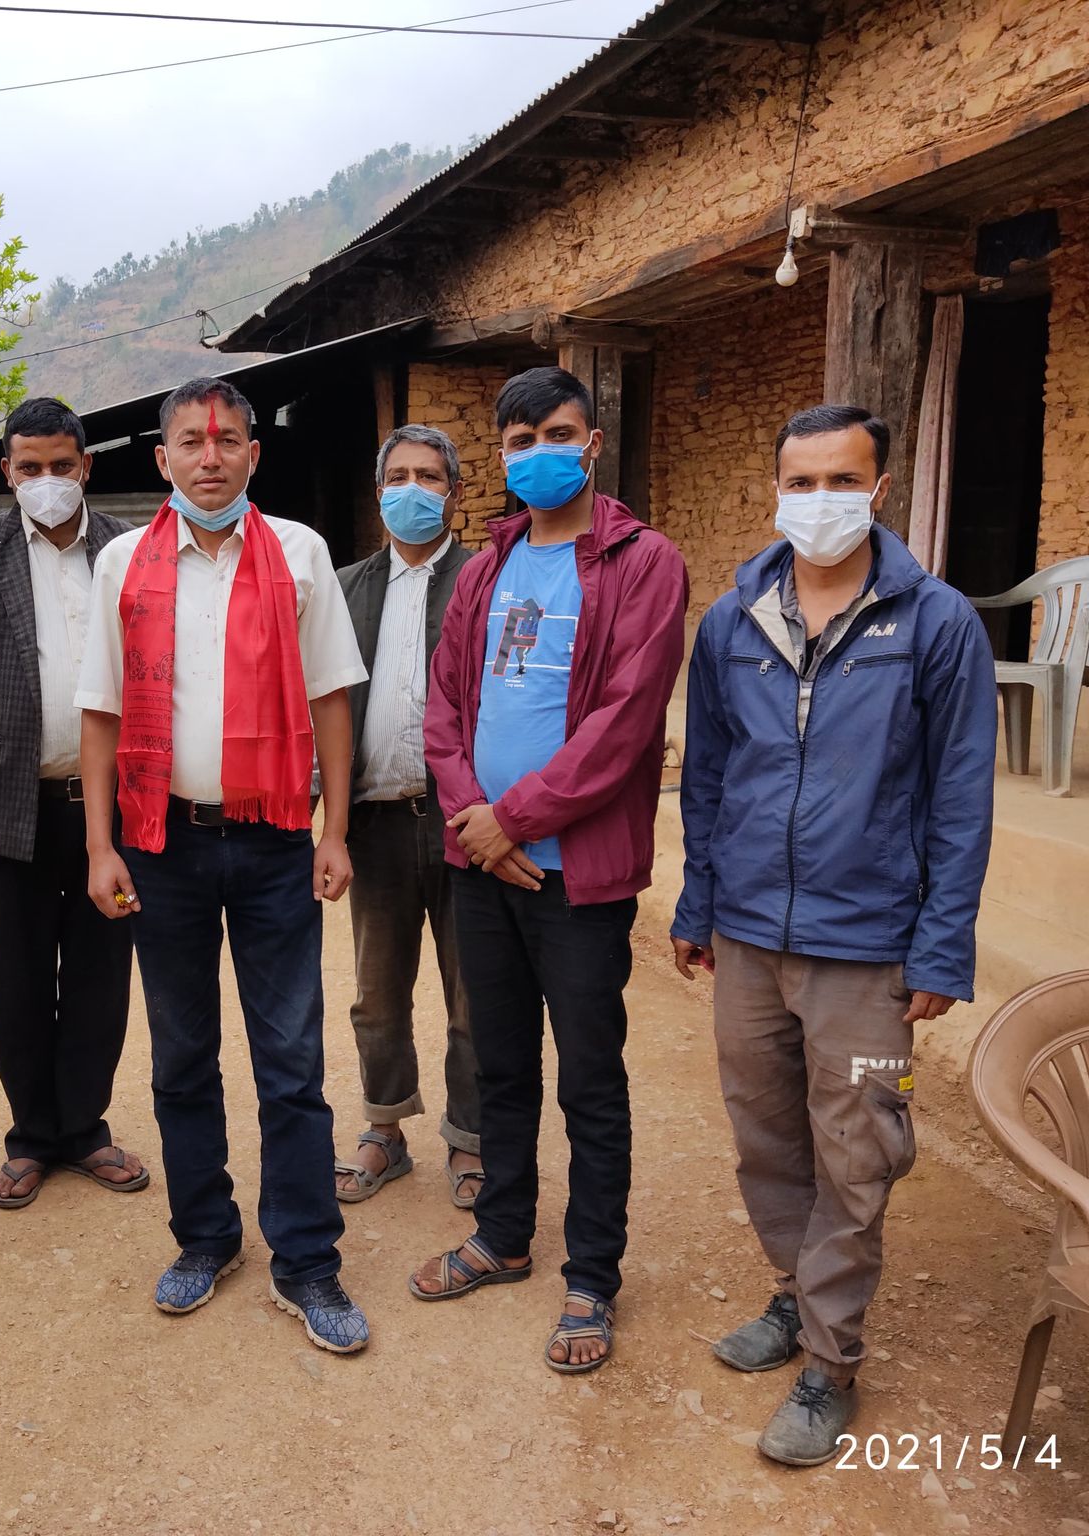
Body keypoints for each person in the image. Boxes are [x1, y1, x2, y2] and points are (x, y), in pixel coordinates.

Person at [672, 403, 996, 1465]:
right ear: (776, 490)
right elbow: (708, 779)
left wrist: (940, 947)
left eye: (842, 481)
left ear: (880, 488)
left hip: (869, 948)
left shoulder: (937, 623)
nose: (821, 501)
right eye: (801, 482)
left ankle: (830, 1360)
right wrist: (698, 904)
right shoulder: (732, 623)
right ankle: (790, 1292)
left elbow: (961, 800)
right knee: (767, 1136)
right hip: (748, 938)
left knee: (859, 1150)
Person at [75, 376, 372, 1354]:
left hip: (278, 839)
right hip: (161, 844)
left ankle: (306, 1259)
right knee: (181, 1056)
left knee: (290, 1059)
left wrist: (334, 830)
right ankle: (204, 1237)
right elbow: (101, 712)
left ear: (254, 453)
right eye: (192, 443)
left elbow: (331, 696)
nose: (211, 457)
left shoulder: (299, 553)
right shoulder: (123, 563)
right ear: (161, 458)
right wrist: (100, 846)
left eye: (229, 440)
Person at [410, 365, 688, 1376]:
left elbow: (625, 722)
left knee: (589, 1079)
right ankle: (504, 1234)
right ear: (501, 452)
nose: (539, 454)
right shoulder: (484, 569)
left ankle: (592, 1276)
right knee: (499, 1064)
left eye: (557, 435)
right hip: (482, 865)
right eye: (520, 440)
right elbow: (443, 707)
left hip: (578, 875)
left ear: (593, 441)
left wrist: (512, 820)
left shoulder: (643, 563)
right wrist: (475, 824)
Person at [0, 397, 145, 1211]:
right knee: (18, 975)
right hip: (11, 798)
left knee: (101, 971)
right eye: (30, 467)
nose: (47, 480)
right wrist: (24, 719)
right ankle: (30, 1137)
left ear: (86, 466)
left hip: (110, 808)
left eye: (61, 465)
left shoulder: (128, 549)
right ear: (6, 473)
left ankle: (84, 1129)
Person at [331, 425, 480, 1208]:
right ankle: (384, 1128)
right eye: (398, 477)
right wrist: (325, 825)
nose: (412, 490)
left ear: (455, 492)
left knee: (473, 992)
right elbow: (321, 705)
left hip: (466, 825)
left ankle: (471, 1137)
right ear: (378, 490)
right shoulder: (347, 587)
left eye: (429, 476)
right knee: (378, 991)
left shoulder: (486, 579)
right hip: (375, 822)